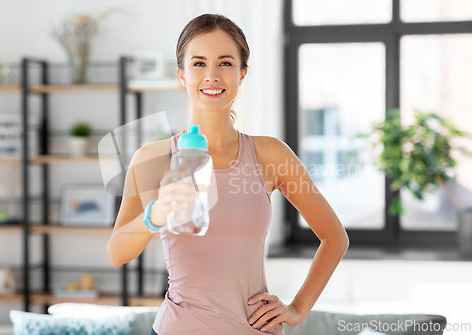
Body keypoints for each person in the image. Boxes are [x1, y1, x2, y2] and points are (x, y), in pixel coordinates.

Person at [107, 13, 349, 335]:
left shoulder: (271, 155)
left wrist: (297, 308)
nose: (211, 76)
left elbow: (334, 238)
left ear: (242, 72)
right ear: (181, 74)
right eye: (198, 64)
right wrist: (155, 215)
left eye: (224, 63)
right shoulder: (153, 158)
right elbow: (116, 252)